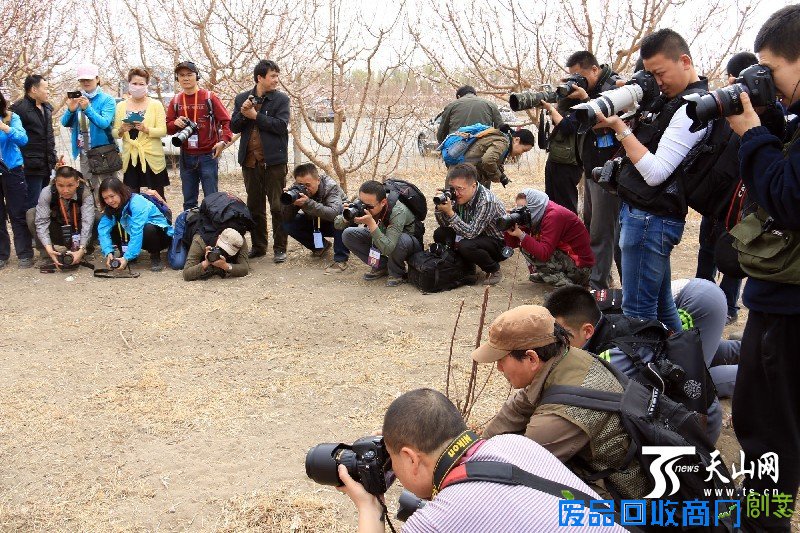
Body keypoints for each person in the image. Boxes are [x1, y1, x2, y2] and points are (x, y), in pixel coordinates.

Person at [337, 388, 626, 533]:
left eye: (393, 460)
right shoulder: (514, 444)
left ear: (411, 458)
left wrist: (369, 506)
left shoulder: (439, 520)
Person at [726, 6, 800, 529]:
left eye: (771, 69)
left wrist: (753, 132)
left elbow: (790, 199)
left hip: (789, 308)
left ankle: (760, 523)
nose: (766, 80)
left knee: (768, 430)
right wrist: (769, 123)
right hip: (782, 301)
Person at [592, 29, 708, 333]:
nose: (657, 82)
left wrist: (620, 128)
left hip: (650, 220)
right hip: (647, 216)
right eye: (650, 75)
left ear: (684, 61)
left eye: (660, 73)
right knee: (661, 307)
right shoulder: (671, 101)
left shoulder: (692, 108)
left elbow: (656, 172)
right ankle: (685, 359)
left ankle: (648, 365)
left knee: (638, 314)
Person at [473, 305, 649, 500]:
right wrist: (478, 449)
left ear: (531, 358)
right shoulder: (566, 356)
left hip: (626, 502)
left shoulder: (561, 416)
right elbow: (517, 408)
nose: (499, 368)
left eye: (501, 360)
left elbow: (515, 469)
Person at [543, 279, 739, 445]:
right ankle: (751, 348)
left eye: (562, 335)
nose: (557, 342)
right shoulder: (594, 313)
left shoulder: (613, 358)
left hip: (701, 423)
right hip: (694, 297)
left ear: (587, 330)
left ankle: (752, 372)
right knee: (695, 355)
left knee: (701, 374)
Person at [694, 53, 757, 325]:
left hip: (742, 201)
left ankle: (728, 306)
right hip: (715, 197)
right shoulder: (723, 108)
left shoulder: (762, 116)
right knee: (707, 249)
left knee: (733, 255)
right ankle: (701, 300)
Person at [561, 51, 624, 290]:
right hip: (591, 170)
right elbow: (568, 120)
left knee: (602, 232)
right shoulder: (589, 89)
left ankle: (598, 287)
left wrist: (587, 98)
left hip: (609, 174)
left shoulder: (616, 88)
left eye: (580, 75)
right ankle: (603, 278)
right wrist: (566, 94)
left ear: (595, 70)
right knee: (592, 226)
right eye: (572, 76)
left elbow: (608, 123)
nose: (576, 80)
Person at [230, 59, 290, 263]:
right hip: (249, 163)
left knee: (277, 206)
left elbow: (281, 126)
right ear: (260, 78)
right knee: (255, 207)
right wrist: (243, 113)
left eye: (277, 76)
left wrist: (255, 116)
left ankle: (280, 248)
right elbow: (234, 127)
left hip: (274, 163)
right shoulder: (242, 98)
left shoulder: (281, 100)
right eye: (272, 76)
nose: (276, 80)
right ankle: (259, 246)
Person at [166, 60, 232, 211]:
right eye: (181, 75)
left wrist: (223, 141)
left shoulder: (209, 97)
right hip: (186, 155)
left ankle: (212, 226)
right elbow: (168, 128)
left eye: (189, 74)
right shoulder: (176, 100)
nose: (186, 78)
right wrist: (175, 123)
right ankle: (191, 225)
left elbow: (227, 121)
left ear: (197, 76)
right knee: (189, 201)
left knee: (212, 199)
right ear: (177, 79)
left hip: (208, 154)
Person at [334, 180, 419, 287]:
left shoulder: (397, 210)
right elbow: (337, 225)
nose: (364, 208)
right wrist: (346, 216)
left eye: (369, 206)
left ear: (383, 202)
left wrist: (371, 223)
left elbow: (388, 248)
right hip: (381, 233)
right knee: (348, 234)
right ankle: (381, 266)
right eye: (361, 203)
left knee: (399, 240)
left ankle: (397, 273)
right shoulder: (364, 203)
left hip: (406, 243)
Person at [433, 163, 507, 285]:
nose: (455, 193)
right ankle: (465, 266)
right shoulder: (458, 195)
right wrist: (440, 209)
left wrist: (450, 213)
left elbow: (471, 233)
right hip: (474, 234)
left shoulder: (486, 201)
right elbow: (444, 224)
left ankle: (494, 270)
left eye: (459, 188)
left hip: (497, 243)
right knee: (440, 233)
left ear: (473, 186)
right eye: (453, 188)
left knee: (466, 245)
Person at [504, 189, 594, 287]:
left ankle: (565, 286)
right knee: (527, 243)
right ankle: (547, 274)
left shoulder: (553, 216)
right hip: (569, 259)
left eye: (523, 209)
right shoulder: (538, 213)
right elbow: (512, 244)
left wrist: (521, 235)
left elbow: (544, 254)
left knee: (528, 246)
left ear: (534, 206)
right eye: (518, 209)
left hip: (582, 269)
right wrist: (510, 225)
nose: (521, 213)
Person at [60, 64, 118, 193]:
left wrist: (87, 108)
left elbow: (104, 123)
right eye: (82, 80)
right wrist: (71, 110)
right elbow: (64, 122)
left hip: (104, 151)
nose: (85, 82)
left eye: (89, 79)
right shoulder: (78, 98)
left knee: (109, 188)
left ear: (97, 79)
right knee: (90, 188)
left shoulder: (107, 100)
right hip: (84, 150)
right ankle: (94, 206)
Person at [113, 68, 169, 200]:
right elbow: (115, 132)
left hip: (151, 155)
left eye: (141, 84)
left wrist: (146, 129)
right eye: (134, 83)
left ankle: (161, 214)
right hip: (130, 156)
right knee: (131, 197)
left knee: (157, 196)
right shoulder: (121, 106)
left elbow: (163, 130)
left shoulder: (156, 105)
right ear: (129, 84)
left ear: (147, 85)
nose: (137, 87)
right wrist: (121, 129)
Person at [281, 163, 349, 273]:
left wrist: (308, 203)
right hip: (316, 222)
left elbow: (334, 213)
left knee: (341, 216)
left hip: (338, 225)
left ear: (318, 180)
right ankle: (320, 246)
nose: (305, 188)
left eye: (308, 185)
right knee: (287, 224)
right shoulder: (296, 188)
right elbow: (286, 217)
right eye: (300, 184)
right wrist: (289, 202)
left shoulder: (330, 186)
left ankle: (341, 260)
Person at [97, 177, 173, 272]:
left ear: (121, 192)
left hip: (160, 237)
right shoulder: (111, 208)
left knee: (148, 228)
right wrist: (108, 252)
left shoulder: (137, 202)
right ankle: (124, 253)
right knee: (111, 225)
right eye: (105, 198)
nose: (109, 201)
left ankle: (155, 256)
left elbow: (137, 231)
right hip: (136, 235)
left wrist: (127, 257)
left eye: (112, 196)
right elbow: (103, 230)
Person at [26, 165, 95, 268]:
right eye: (61, 186)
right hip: (58, 229)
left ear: (77, 183)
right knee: (31, 214)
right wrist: (49, 248)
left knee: (97, 217)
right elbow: (42, 222)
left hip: (78, 230)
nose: (65, 190)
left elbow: (87, 222)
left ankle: (85, 250)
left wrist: (81, 249)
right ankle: (47, 255)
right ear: (55, 183)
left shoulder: (85, 192)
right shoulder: (47, 192)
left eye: (70, 185)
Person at [11, 74, 57, 209]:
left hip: (47, 163)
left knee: (44, 201)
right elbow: (14, 136)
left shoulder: (47, 108)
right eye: (45, 88)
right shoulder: (19, 109)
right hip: (30, 165)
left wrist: (53, 157)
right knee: (32, 203)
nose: (48, 92)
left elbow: (49, 136)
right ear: (34, 89)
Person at [0, 91, 31, 269]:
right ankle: (2, 254)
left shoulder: (11, 117)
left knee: (18, 212)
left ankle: (24, 253)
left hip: (12, 170)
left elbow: (23, 139)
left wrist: (5, 128)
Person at [462, 126, 534, 188]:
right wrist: (499, 176)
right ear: (516, 140)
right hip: (465, 174)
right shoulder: (502, 142)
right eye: (523, 150)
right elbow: (488, 160)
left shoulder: (504, 142)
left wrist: (501, 175)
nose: (521, 153)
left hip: (467, 173)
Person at [435, 85, 503, 144]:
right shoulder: (490, 104)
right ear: (475, 94)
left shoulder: (451, 105)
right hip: (483, 142)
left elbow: (442, 132)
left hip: (457, 143)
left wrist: (442, 143)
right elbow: (501, 128)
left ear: (459, 96)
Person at [182, 227, 250, 281]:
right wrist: (206, 262)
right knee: (178, 262)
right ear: (218, 238)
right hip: (190, 222)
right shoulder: (200, 241)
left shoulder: (239, 241)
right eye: (221, 248)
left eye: (228, 252)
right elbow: (186, 274)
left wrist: (225, 266)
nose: (223, 253)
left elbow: (244, 268)